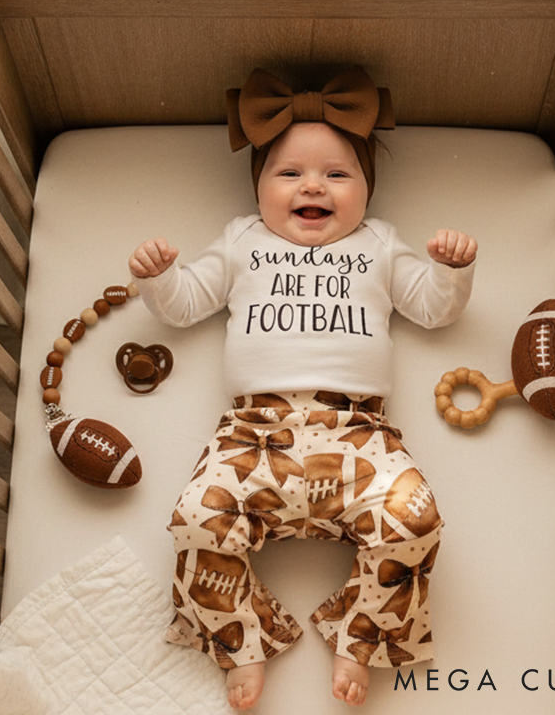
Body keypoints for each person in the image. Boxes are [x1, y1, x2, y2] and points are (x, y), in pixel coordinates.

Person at [129, 67, 478, 709]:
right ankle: (243, 638)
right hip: (251, 435)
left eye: (337, 175)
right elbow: (184, 305)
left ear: (367, 191)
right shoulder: (241, 241)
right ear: (258, 188)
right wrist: (160, 276)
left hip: (360, 437)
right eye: (289, 174)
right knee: (196, 520)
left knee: (415, 520)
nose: (313, 185)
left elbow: (433, 308)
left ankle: (360, 632)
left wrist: (452, 270)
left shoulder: (379, 243)